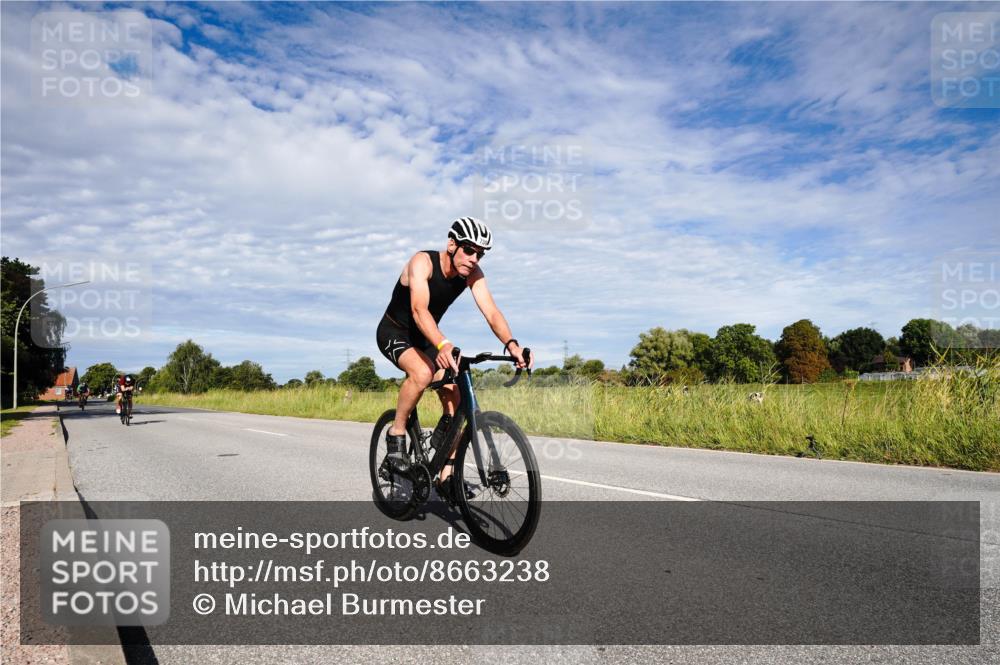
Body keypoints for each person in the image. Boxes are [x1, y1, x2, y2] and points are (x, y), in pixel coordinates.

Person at [376, 217, 531, 503]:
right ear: (451, 245)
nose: (474, 259)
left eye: (480, 254)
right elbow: (419, 310)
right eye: (469, 250)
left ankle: (445, 474)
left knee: (458, 398)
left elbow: (492, 312)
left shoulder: (471, 273)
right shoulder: (422, 263)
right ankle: (396, 434)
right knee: (422, 374)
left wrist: (511, 344)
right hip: (395, 331)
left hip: (426, 338)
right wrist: (443, 344)